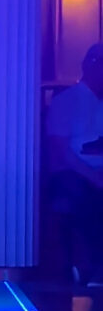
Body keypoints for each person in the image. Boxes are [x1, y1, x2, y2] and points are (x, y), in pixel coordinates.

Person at [46, 43, 103, 285]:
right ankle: (92, 268)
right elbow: (62, 153)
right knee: (84, 195)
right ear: (91, 66)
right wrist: (96, 177)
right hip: (74, 171)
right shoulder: (66, 102)